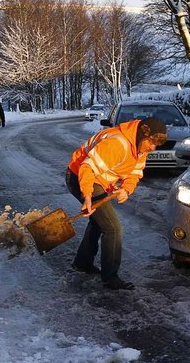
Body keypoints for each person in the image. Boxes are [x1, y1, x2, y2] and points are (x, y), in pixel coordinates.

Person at [65, 117, 168, 290]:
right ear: (144, 134)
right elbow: (87, 168)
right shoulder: (117, 144)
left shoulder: (140, 150)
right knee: (113, 228)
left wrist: (126, 189)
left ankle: (82, 262)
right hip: (80, 177)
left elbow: (134, 173)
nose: (153, 148)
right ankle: (110, 278)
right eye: (151, 142)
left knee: (100, 222)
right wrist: (88, 196)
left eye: (156, 145)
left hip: (99, 180)